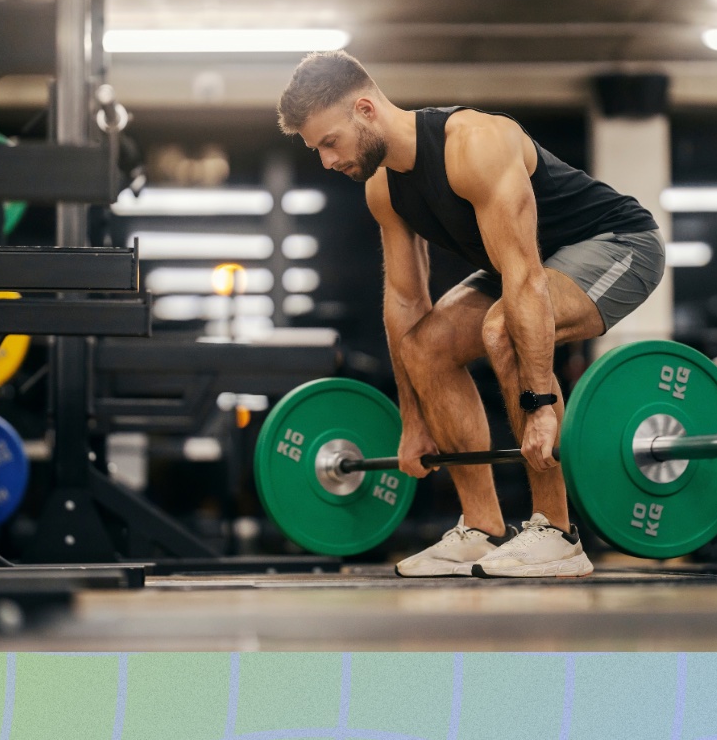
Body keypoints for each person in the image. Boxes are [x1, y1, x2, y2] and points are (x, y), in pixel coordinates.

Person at [277, 51, 664, 578]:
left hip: (617, 246)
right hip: (523, 270)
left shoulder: (475, 144)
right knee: (425, 344)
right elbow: (405, 304)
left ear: (365, 109)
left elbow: (525, 279)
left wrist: (542, 404)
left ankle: (557, 532)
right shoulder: (383, 188)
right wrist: (414, 422)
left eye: (329, 142)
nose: (326, 160)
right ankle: (482, 530)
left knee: (503, 326)